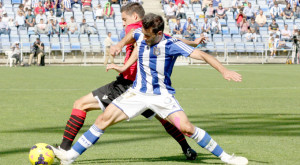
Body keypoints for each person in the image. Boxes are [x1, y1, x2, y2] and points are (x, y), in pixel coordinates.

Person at [51, 13, 248, 165]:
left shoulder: (172, 45)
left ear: (159, 33)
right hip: (136, 94)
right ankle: (70, 157)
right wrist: (120, 47)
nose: (143, 37)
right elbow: (132, 35)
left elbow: (204, 55)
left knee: (187, 128)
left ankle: (226, 158)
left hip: (161, 97)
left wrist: (223, 71)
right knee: (103, 120)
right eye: (142, 34)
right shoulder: (139, 34)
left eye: (147, 35)